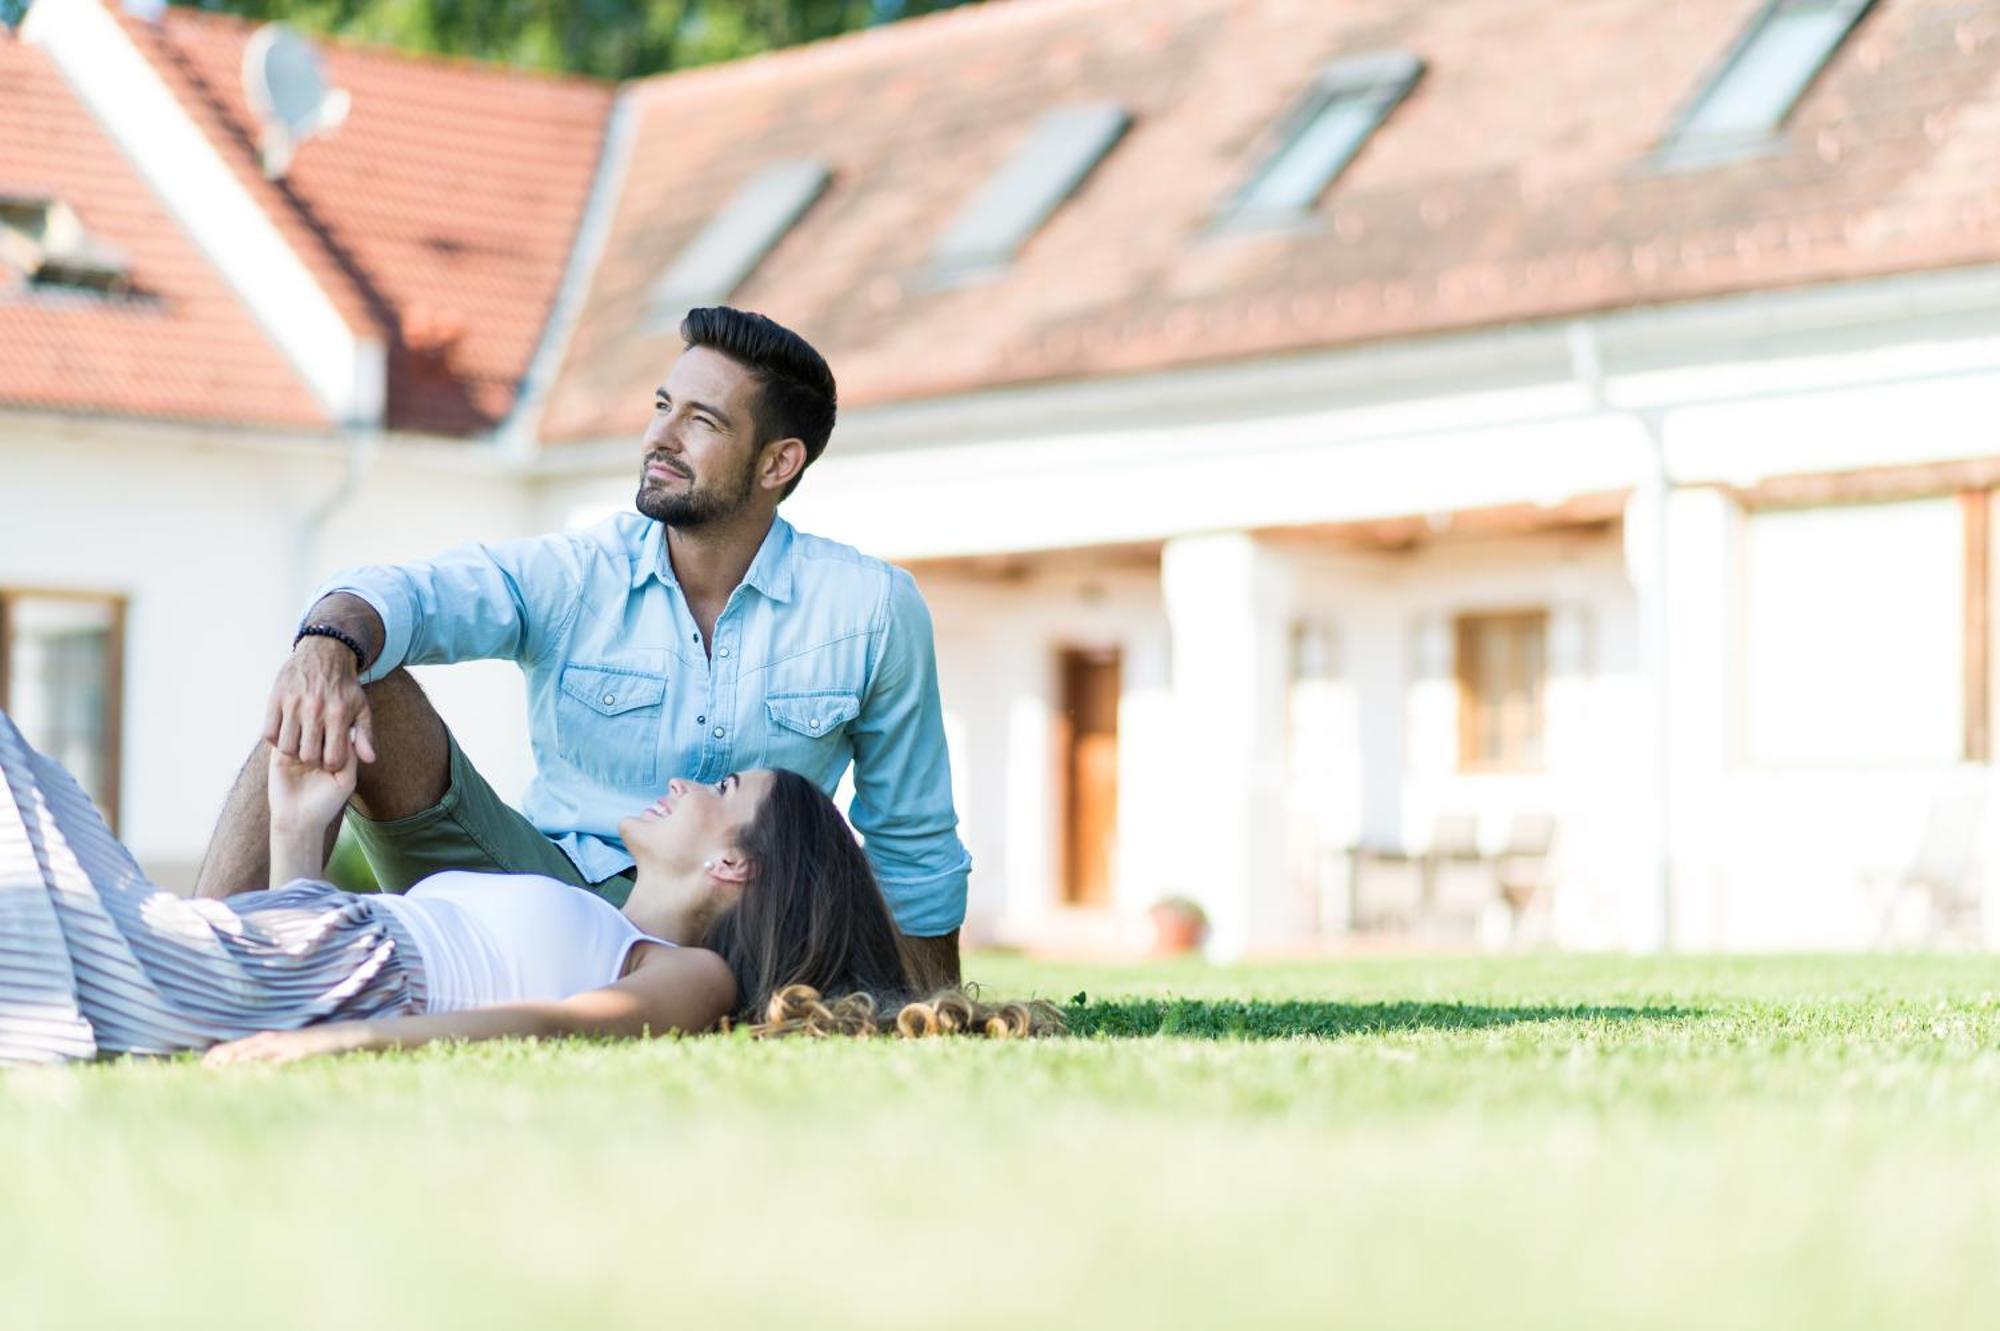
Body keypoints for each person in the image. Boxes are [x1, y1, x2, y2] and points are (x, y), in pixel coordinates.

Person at [194, 307, 969, 989]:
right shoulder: (577, 573)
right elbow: (414, 595)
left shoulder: (871, 609)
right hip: (540, 888)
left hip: (733, 933)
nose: (658, 438)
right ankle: (204, 969)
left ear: (777, 463)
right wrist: (327, 642)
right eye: (663, 406)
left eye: (701, 421)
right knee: (351, 674)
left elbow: (914, 839)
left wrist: (935, 1009)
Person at [0, 709, 1056, 1068]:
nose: (685, 780)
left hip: (302, 979)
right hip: (278, 951)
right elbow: (313, 937)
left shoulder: (684, 973)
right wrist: (301, 826)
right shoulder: (590, 912)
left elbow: (552, 1019)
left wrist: (348, 1044)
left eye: (720, 787)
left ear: (732, 864)